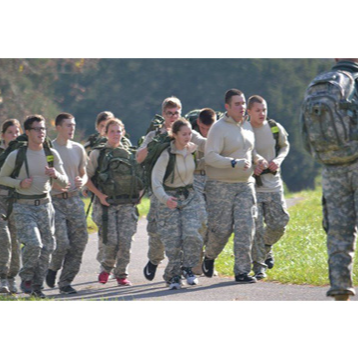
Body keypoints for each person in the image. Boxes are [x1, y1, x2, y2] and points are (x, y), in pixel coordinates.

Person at [301, 58, 358, 301]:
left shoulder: (317, 84)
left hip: (331, 167)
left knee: (337, 230)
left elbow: (306, 133)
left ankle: (340, 286)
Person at [136, 96, 206, 282]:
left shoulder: (187, 131)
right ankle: (154, 259)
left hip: (184, 191)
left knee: (187, 232)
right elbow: (139, 158)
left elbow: (206, 144)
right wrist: (153, 145)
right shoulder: (155, 135)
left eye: (176, 112)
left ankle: (182, 268)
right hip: (161, 191)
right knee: (157, 232)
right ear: (163, 114)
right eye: (169, 113)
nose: (173, 116)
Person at [0, 114, 68, 298]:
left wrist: (55, 174)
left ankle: (37, 288)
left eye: (44, 128)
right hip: (23, 206)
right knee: (34, 244)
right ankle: (26, 276)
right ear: (28, 132)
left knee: (48, 247)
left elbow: (64, 182)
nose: (42, 132)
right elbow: (2, 177)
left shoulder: (51, 154)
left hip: (46, 205)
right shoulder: (17, 155)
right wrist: (19, 183)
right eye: (37, 129)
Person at [202, 89, 267, 284]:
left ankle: (242, 271)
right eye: (237, 104)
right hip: (220, 186)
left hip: (245, 185)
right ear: (227, 107)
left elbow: (250, 151)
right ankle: (209, 256)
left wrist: (259, 159)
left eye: (243, 103)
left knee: (246, 227)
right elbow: (210, 156)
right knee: (221, 230)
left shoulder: (247, 126)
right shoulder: (218, 128)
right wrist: (233, 163)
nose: (242, 107)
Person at [151, 118, 205, 289]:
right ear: (174, 135)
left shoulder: (192, 150)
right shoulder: (166, 154)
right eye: (184, 134)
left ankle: (187, 268)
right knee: (173, 241)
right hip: (169, 199)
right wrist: (165, 199)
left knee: (193, 235)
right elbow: (156, 182)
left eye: (190, 133)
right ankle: (173, 276)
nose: (188, 137)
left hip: (188, 197)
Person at [86, 118, 140, 287]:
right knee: (110, 241)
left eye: (119, 131)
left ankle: (121, 274)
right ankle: (106, 268)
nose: (116, 134)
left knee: (125, 241)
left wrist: (138, 195)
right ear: (105, 133)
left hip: (126, 204)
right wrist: (99, 195)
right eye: (112, 131)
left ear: (123, 132)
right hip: (106, 204)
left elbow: (140, 177)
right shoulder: (98, 154)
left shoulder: (131, 153)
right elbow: (86, 177)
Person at [247, 95, 290, 279]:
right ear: (249, 112)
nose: (262, 113)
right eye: (257, 110)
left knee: (280, 223)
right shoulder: (244, 130)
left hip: (274, 185)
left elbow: (284, 146)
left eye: (264, 109)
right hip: (254, 187)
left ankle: (266, 247)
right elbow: (245, 150)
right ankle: (259, 267)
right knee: (255, 228)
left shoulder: (274, 127)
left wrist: (278, 161)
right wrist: (254, 163)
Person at [45, 113, 88, 294]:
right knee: (61, 243)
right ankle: (53, 268)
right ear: (59, 127)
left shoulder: (78, 148)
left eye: (74, 125)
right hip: (55, 201)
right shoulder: (48, 149)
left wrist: (82, 181)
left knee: (80, 241)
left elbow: (84, 173)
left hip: (74, 200)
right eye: (68, 125)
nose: (72, 129)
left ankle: (66, 282)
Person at [191, 108, 217, 275]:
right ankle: (195, 263)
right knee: (201, 221)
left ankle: (209, 261)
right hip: (196, 179)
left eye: (210, 129)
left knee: (215, 225)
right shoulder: (191, 135)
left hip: (215, 180)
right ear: (199, 123)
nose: (207, 132)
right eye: (204, 128)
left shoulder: (220, 133)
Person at [0, 119, 22, 294]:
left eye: (16, 132)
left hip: (18, 202)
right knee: (4, 239)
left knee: (15, 241)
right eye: (10, 132)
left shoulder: (24, 153)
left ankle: (12, 277)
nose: (14, 136)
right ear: (3, 135)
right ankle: (2, 278)